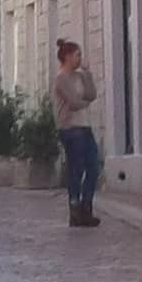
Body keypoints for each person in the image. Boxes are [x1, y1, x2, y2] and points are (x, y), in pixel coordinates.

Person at [51, 40, 102, 226]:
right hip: (70, 128)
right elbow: (73, 102)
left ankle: (86, 207)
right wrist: (84, 103)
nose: (80, 58)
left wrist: (87, 75)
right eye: (77, 55)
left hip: (84, 125)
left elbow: (91, 94)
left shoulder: (79, 76)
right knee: (76, 168)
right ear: (68, 56)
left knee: (94, 167)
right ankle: (75, 210)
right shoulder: (61, 78)